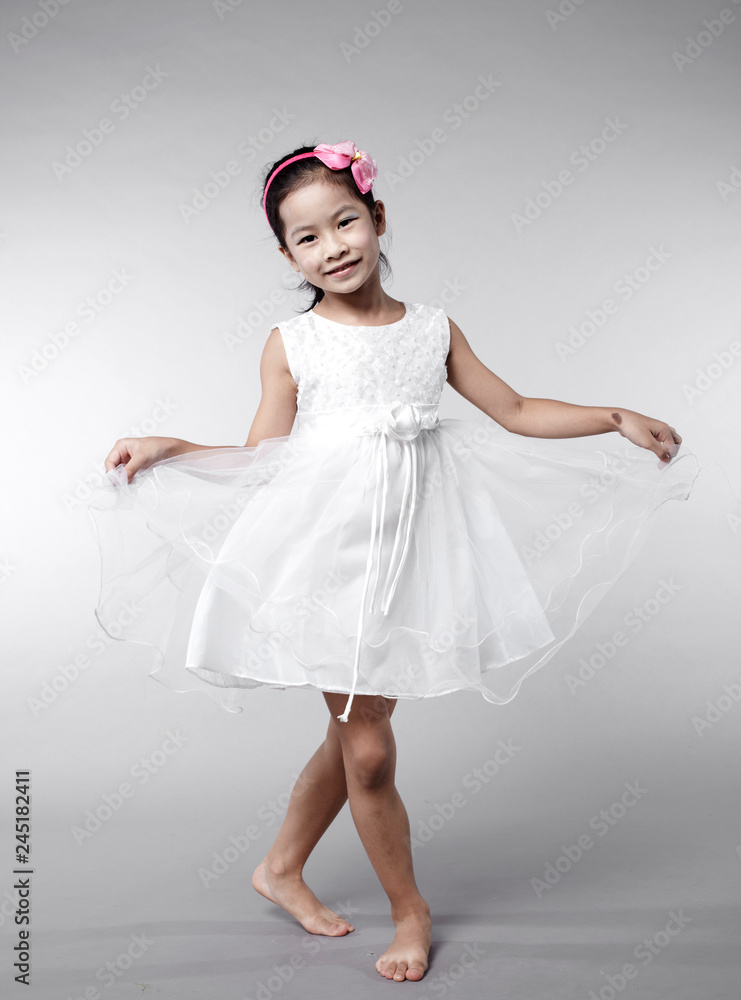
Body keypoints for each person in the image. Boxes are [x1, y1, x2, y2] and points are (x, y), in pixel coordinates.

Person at [86, 139, 701, 983]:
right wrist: (171, 445)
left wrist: (612, 414)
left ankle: (278, 868)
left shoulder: (431, 329)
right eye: (307, 238)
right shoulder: (291, 342)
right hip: (325, 559)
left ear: (377, 219)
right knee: (368, 747)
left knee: (351, 735)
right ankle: (410, 912)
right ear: (286, 255)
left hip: (412, 554)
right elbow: (261, 454)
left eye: (345, 222)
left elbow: (514, 409)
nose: (332, 246)